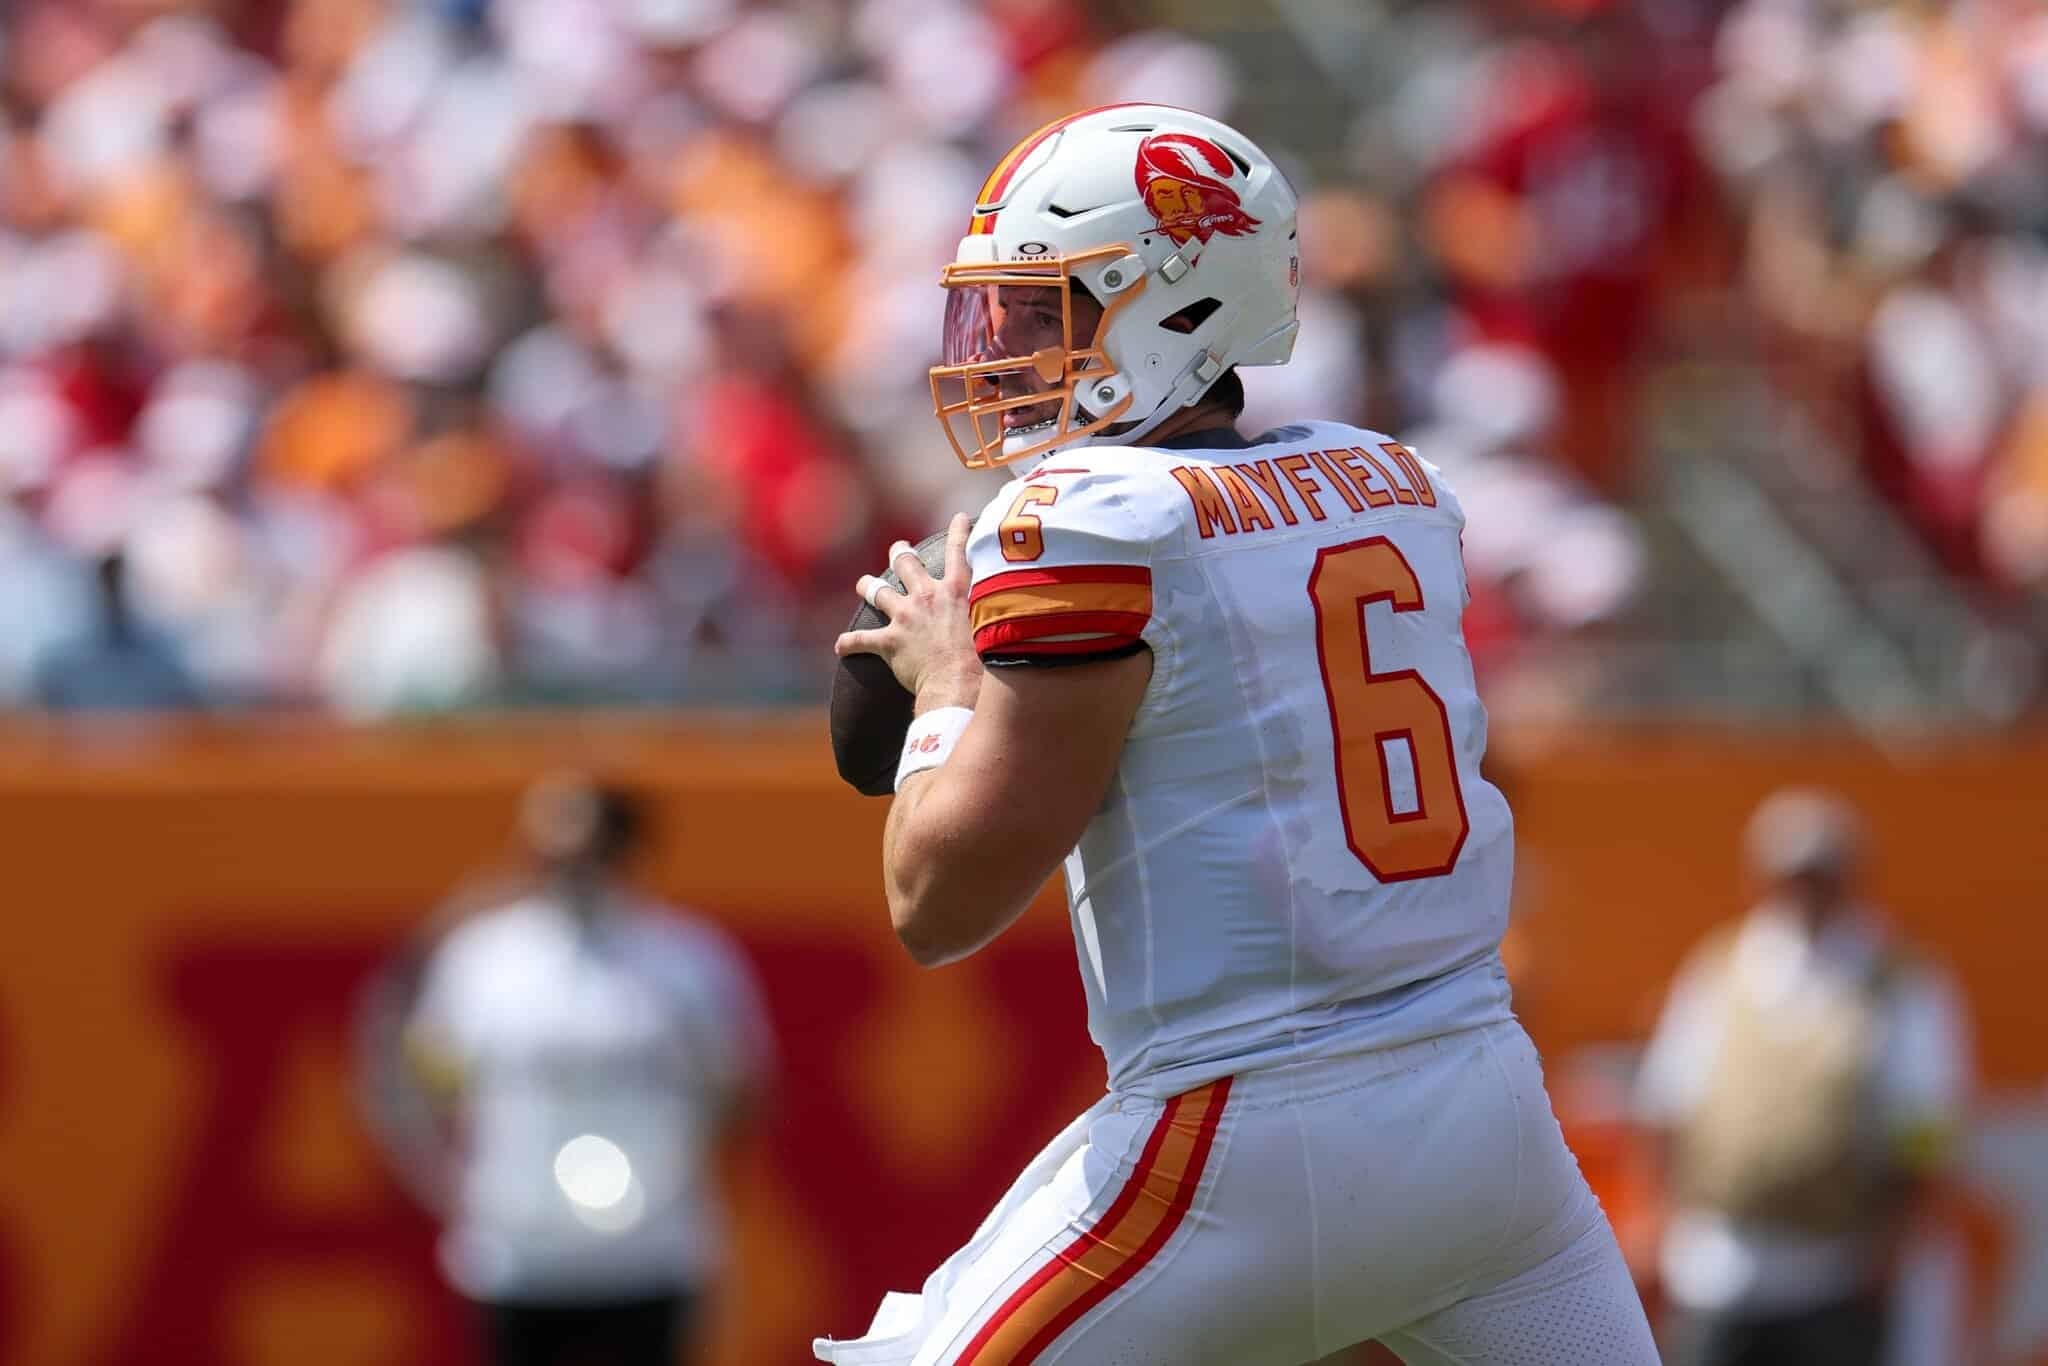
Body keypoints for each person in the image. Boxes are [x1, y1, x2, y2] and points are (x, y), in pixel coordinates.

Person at [814, 104, 1658, 1366]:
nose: (1006, 345)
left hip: (1251, 1118)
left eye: (1045, 309)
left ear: (1175, 303)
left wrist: (943, 689)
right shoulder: (1388, 479)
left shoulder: (1092, 518)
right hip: (1481, 1103)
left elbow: (938, 899)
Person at [359, 774, 773, 1366]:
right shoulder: (483, 959)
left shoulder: (689, 962)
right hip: (518, 1259)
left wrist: (674, 1179)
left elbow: (741, 1093)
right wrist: (453, 1186)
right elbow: (419, 1081)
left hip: (650, 1257)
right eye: (548, 851)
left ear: (627, 851)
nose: (566, 868)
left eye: (586, 851)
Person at [1635, 788, 1970, 1366]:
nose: (1804, 892)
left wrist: (1894, 1247)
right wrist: (1659, 1222)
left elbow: (1925, 1127)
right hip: (1716, 1271)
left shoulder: (1900, 983)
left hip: (1836, 1275)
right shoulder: (1719, 967)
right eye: (1791, 876)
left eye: (1821, 876)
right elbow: (1667, 1104)